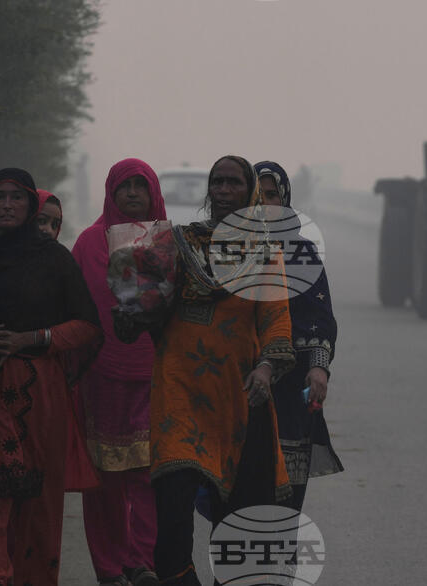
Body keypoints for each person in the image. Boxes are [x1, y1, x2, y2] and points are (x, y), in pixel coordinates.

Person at [0, 168, 103, 586]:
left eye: (17, 198)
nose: (7, 205)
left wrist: (27, 339)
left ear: (30, 206)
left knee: (36, 509)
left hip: (39, 398)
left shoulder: (54, 261)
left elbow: (86, 326)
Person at [150, 155, 295, 586]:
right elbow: (150, 306)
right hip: (179, 388)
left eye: (234, 182)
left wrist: (266, 369)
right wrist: (133, 299)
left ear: (249, 192)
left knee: (236, 513)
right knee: (172, 505)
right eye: (218, 182)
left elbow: (276, 320)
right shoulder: (179, 243)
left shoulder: (265, 252)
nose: (224, 190)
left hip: (237, 393)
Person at [72, 159, 167, 586]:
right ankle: (109, 568)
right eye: (124, 186)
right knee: (106, 476)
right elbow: (77, 305)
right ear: (111, 193)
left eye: (140, 186)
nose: (132, 193)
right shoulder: (89, 243)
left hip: (157, 373)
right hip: (101, 374)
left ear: (153, 194)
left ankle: (142, 561)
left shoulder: (168, 243)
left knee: (150, 474)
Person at [254, 161, 344, 512]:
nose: (264, 204)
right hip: (237, 383)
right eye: (256, 195)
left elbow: (320, 318)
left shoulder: (301, 252)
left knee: (286, 498)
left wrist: (319, 368)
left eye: (271, 195)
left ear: (285, 199)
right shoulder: (225, 250)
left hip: (290, 387)